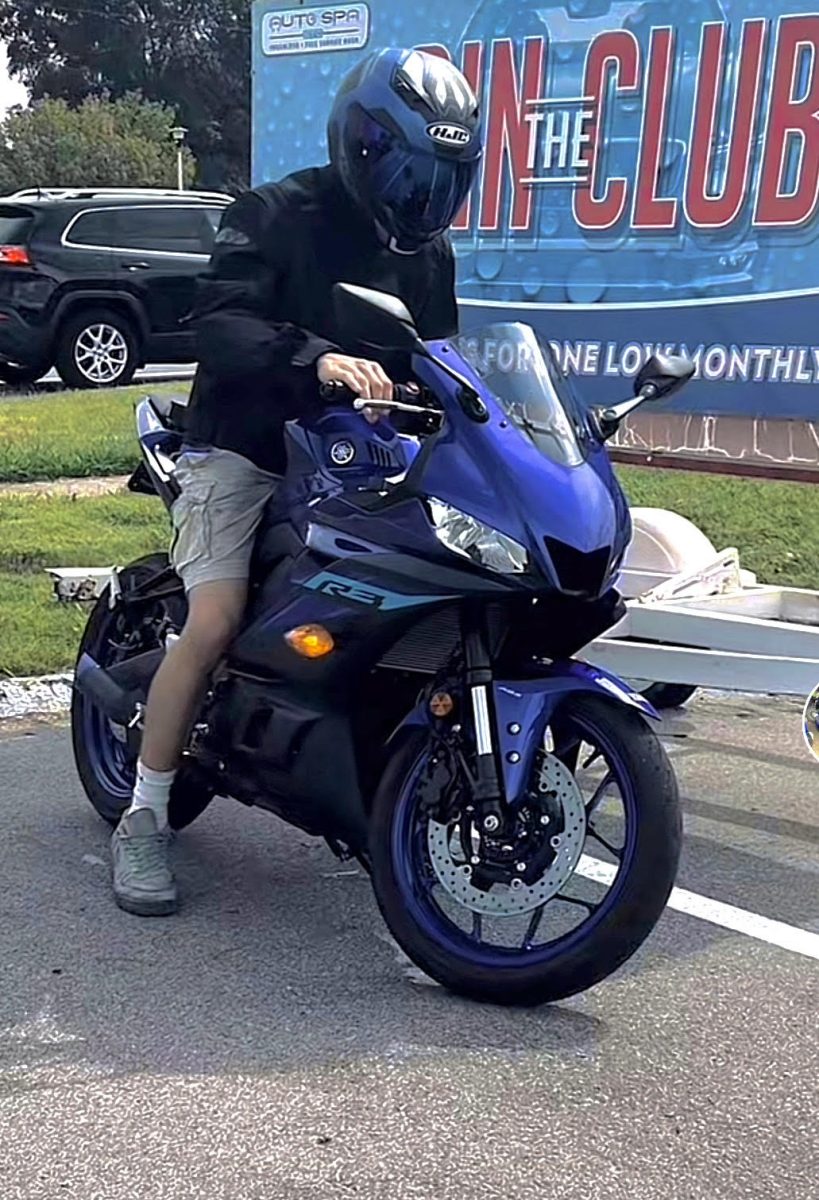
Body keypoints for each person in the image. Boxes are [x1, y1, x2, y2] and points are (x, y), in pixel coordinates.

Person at [110, 47, 483, 916]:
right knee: (214, 621)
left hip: (358, 460)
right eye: (411, 171)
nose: (423, 197)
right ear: (364, 147)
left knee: (425, 589)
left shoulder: (428, 253)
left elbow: (439, 356)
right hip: (245, 446)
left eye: (441, 177)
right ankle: (145, 815)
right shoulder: (276, 213)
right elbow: (220, 323)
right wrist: (318, 361)